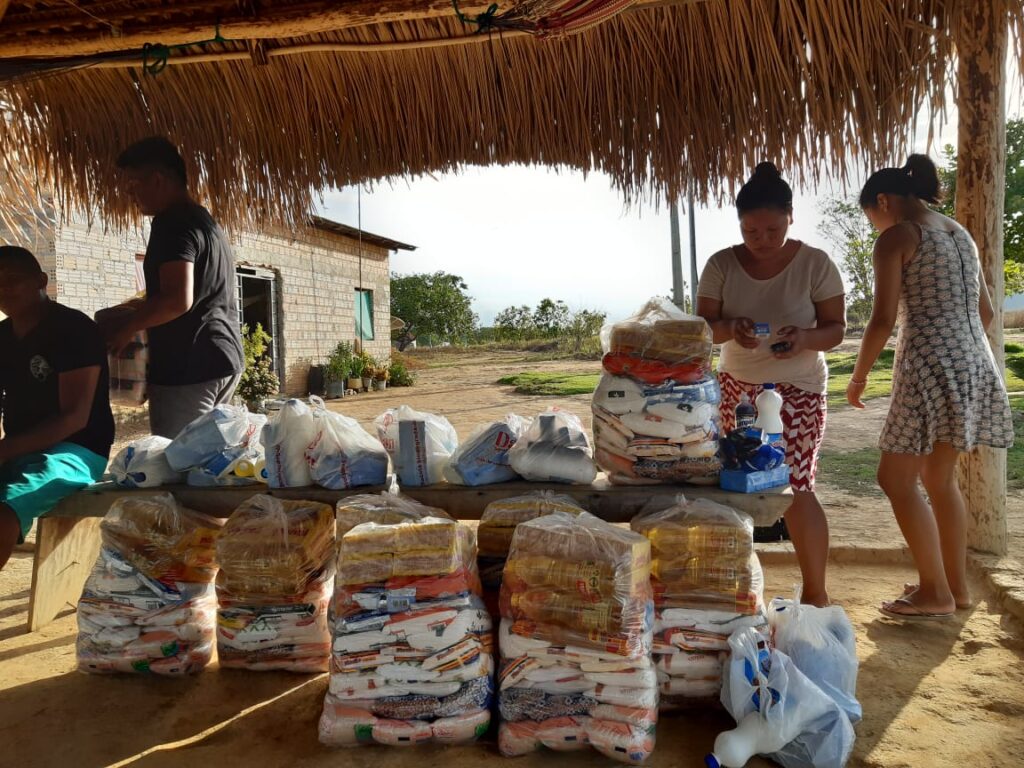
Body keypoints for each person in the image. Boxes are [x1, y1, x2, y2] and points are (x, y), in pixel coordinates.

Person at [847, 154, 1013, 621]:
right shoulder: (958, 233)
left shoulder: (898, 237)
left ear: (883, 201)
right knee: (939, 480)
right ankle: (954, 588)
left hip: (926, 366)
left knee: (894, 479)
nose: (873, 225)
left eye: (870, 215)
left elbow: (881, 320)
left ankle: (934, 592)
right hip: (973, 362)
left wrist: (858, 378)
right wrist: (956, 343)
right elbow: (985, 314)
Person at [697, 162, 846, 607]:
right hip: (737, 388)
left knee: (797, 487)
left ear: (791, 217)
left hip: (798, 389)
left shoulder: (815, 264)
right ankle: (733, 589)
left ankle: (816, 595)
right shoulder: (722, 264)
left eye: (772, 230)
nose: (762, 240)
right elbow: (702, 329)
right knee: (734, 484)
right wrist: (730, 329)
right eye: (751, 231)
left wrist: (804, 338)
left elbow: (835, 330)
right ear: (739, 224)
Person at [105, 136, 244, 439]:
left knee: (180, 465)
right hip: (222, 358)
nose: (130, 194)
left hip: (189, 367)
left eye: (133, 184)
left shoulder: (172, 223)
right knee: (208, 463)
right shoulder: (204, 221)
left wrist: (128, 326)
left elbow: (177, 300)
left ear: (157, 179)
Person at [0, 246, 114, 568]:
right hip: (18, 450)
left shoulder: (72, 329)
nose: (4, 289)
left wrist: (4, 451)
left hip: (75, 452)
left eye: (13, 279)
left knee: (6, 507)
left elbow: (74, 418)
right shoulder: (2, 337)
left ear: (41, 281)